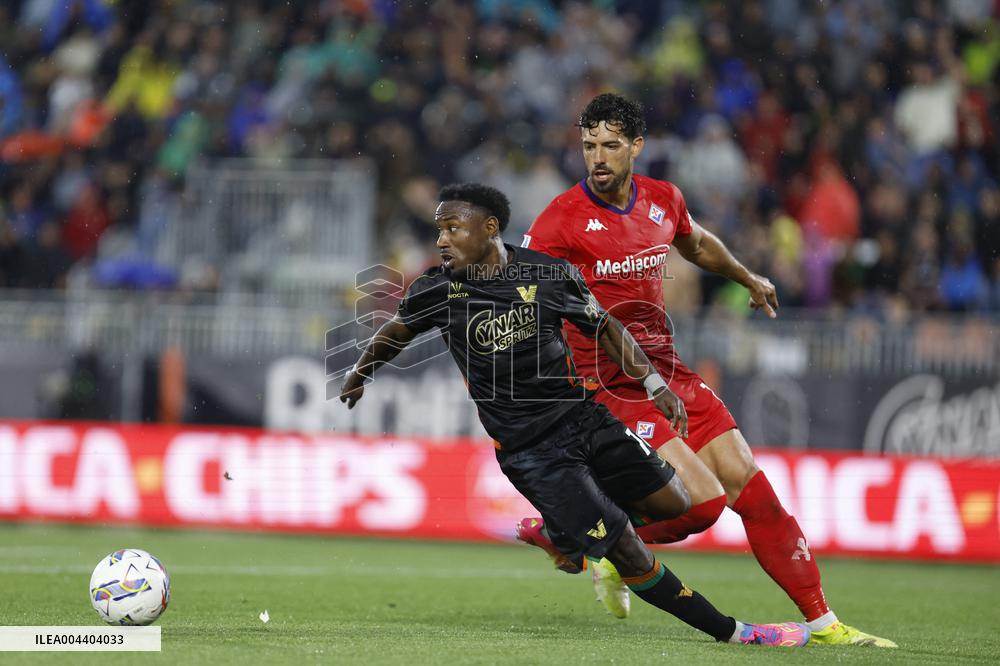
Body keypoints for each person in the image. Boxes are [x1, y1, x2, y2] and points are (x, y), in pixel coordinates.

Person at [340, 183, 808, 648]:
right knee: (629, 551)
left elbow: (603, 325)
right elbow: (396, 332)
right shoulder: (437, 289)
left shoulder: (547, 274)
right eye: (438, 229)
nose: (441, 239)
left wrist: (653, 383)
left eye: (451, 228)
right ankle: (736, 633)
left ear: (489, 229)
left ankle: (567, 532)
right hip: (532, 453)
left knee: (677, 502)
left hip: (585, 418)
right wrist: (361, 372)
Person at [519, 93, 896, 648]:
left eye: (610, 146)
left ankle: (824, 625)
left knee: (752, 490)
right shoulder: (560, 218)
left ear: (637, 147)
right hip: (608, 386)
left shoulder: (662, 199)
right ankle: (592, 540)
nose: (597, 157)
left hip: (667, 372)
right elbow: (519, 289)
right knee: (705, 505)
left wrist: (747, 276)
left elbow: (694, 242)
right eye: (589, 145)